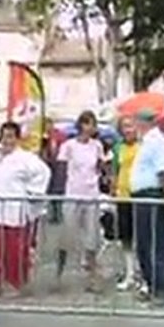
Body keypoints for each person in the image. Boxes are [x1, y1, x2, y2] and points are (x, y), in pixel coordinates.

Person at [0, 121, 50, 296]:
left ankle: (14, 284)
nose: (6, 140)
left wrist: (32, 194)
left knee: (13, 251)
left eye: (10, 136)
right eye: (3, 136)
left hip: (13, 211)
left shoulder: (26, 159)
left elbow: (44, 173)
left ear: (17, 138)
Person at [55, 110, 105, 291]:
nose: (92, 128)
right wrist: (57, 194)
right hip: (73, 193)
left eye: (94, 124)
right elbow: (61, 169)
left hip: (91, 194)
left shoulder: (97, 146)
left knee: (92, 236)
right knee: (66, 235)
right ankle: (58, 274)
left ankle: (92, 276)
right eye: (89, 123)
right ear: (81, 125)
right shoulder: (68, 146)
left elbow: (100, 166)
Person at [129, 110, 164, 305]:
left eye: (135, 122)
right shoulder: (146, 143)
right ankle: (151, 284)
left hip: (152, 196)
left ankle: (162, 289)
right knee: (143, 245)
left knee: (156, 245)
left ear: (143, 122)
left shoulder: (158, 143)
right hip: (141, 197)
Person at [111, 117, 140, 291]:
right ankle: (129, 273)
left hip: (139, 195)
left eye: (130, 126)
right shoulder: (118, 147)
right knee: (126, 237)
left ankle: (142, 274)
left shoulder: (143, 146)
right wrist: (113, 189)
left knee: (142, 237)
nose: (128, 130)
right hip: (123, 196)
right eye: (124, 127)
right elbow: (115, 170)